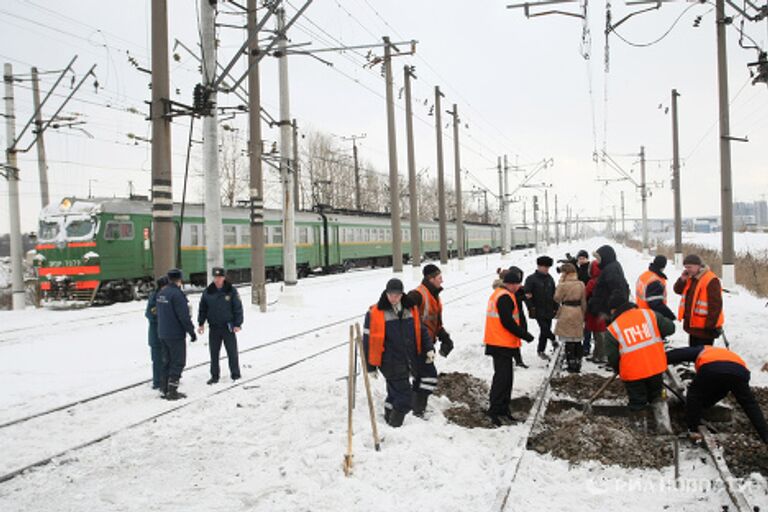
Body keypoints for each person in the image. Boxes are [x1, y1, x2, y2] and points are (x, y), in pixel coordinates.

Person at [363, 278, 434, 428]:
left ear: (402, 294)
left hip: (407, 358)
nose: (393, 298)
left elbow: (421, 330)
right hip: (389, 361)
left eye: (396, 295)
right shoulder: (375, 313)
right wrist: (370, 366)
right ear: (386, 293)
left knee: (395, 392)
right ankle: (395, 424)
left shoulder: (411, 309)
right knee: (405, 397)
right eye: (390, 294)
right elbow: (367, 341)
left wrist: (429, 348)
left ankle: (389, 416)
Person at [666, 346, 768, 444]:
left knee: (694, 394)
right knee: (749, 405)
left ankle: (693, 429)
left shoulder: (703, 350)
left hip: (711, 368)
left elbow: (677, 354)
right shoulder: (728, 354)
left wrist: (660, 360)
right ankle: (765, 436)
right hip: (739, 373)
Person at [605, 294, 674, 426]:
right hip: (656, 367)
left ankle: (639, 432)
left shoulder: (613, 329)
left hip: (633, 373)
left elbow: (613, 357)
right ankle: (664, 426)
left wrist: (619, 369)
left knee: (637, 402)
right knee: (658, 396)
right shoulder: (649, 315)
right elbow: (670, 328)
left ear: (614, 310)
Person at [484, 266, 535, 427]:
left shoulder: (502, 294)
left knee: (506, 379)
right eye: (518, 284)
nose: (519, 287)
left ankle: (503, 409)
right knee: (502, 379)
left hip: (501, 342)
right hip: (500, 343)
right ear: (511, 284)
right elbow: (507, 321)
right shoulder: (504, 297)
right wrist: (525, 335)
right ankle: (495, 411)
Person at [406, 264, 452, 416]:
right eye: (439, 278)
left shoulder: (434, 296)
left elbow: (435, 323)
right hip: (416, 345)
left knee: (422, 377)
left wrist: (445, 337)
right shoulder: (417, 294)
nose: (442, 280)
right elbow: (405, 315)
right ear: (430, 279)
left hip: (426, 344)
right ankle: (417, 409)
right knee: (428, 376)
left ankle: (416, 407)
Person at [198, 267, 244, 385]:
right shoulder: (208, 292)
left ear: (224, 277)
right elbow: (203, 308)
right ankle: (214, 376)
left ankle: (235, 374)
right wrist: (201, 323)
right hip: (214, 327)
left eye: (220, 277)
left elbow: (237, 308)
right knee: (214, 353)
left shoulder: (231, 291)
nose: (218, 279)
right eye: (216, 277)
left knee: (232, 352)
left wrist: (238, 324)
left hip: (228, 326)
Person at [156, 268, 197, 400]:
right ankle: (172, 391)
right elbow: (184, 317)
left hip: (163, 333)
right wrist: (191, 332)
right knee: (178, 362)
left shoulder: (161, 293)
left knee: (166, 361)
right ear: (179, 280)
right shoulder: (177, 295)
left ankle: (164, 388)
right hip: (175, 334)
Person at [673, 254, 724, 347]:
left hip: (705, 328)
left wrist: (710, 326)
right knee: (694, 354)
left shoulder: (711, 280)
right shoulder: (690, 278)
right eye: (686, 267)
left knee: (704, 356)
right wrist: (682, 279)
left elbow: (715, 306)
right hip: (693, 326)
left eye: (689, 267)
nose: (687, 270)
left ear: (698, 266)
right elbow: (678, 290)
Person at [554, 263, 587, 373]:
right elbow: (584, 301)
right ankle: (578, 362)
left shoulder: (563, 285)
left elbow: (557, 298)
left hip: (567, 311)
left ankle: (571, 363)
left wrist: (560, 283)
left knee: (569, 340)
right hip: (577, 311)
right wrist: (583, 314)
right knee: (577, 340)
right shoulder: (581, 284)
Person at [524, 256, 558, 360]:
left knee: (544, 330)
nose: (546, 269)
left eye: (548, 267)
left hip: (549, 309)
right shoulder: (531, 279)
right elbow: (527, 295)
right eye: (544, 267)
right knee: (545, 328)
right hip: (538, 309)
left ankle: (541, 350)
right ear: (538, 266)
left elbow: (554, 293)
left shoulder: (550, 278)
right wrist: (531, 307)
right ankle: (553, 340)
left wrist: (556, 307)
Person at [493, 268, 529, 369]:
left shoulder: (510, 289)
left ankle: (517, 359)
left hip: (517, 314)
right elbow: (511, 302)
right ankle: (518, 359)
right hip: (511, 317)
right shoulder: (504, 292)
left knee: (517, 335)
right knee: (514, 336)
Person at [587, 244, 630, 320]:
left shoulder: (611, 269)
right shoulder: (611, 267)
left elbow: (619, 291)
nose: (597, 262)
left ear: (605, 257)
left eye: (598, 259)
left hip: (608, 313)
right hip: (606, 311)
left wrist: (610, 307)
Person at [145, 276, 169, 390]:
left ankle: (165, 380)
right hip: (156, 335)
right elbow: (150, 314)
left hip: (165, 334)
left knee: (166, 358)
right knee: (158, 359)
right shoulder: (155, 298)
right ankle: (158, 382)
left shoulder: (164, 296)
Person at [635, 255, 675, 321]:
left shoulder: (644, 275)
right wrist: (669, 315)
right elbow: (656, 304)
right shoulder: (655, 281)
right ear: (663, 267)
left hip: (641, 313)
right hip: (650, 317)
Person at [585, 260, 608, 364]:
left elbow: (585, 294)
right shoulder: (606, 279)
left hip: (593, 311)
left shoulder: (592, 282)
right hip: (603, 310)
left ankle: (600, 355)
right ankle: (598, 354)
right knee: (600, 333)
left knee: (598, 334)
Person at [576, 250, 592, 357]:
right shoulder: (578, 269)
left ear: (587, 258)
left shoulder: (589, 269)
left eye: (583, 258)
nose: (581, 260)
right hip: (580, 300)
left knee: (587, 326)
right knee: (581, 324)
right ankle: (582, 346)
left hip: (588, 300)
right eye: (580, 258)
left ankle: (586, 346)